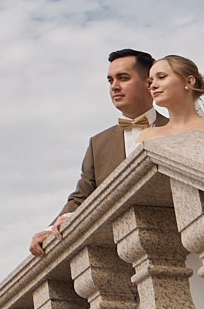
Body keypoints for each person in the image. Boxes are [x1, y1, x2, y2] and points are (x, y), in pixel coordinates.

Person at [29, 48, 168, 257]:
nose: (115, 86)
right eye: (110, 80)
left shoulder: (180, 129)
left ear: (149, 83)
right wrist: (50, 230)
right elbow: (81, 197)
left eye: (123, 78)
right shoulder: (98, 143)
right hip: (120, 253)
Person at [135, 55, 204, 145]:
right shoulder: (146, 137)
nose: (153, 86)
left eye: (162, 77)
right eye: (151, 81)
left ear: (189, 81)